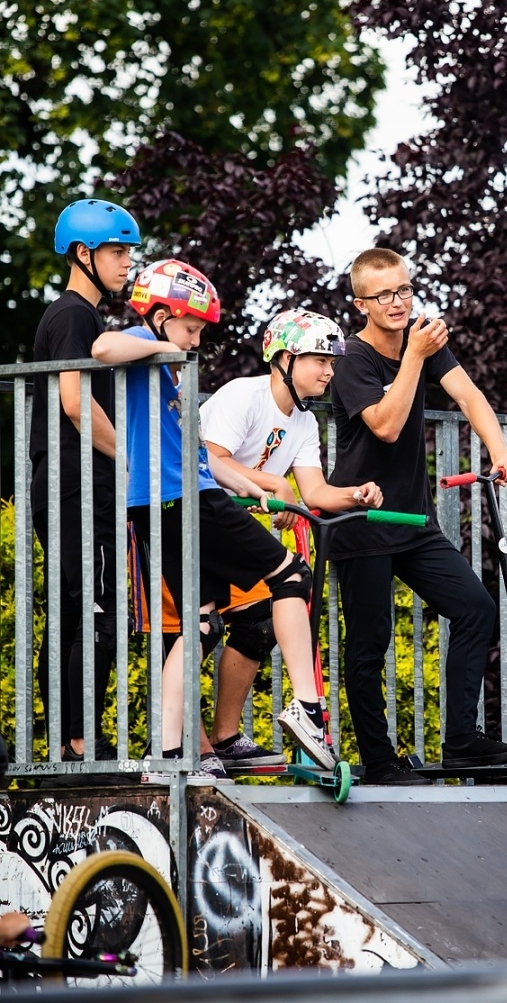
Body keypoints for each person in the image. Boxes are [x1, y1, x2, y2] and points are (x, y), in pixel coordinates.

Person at [91, 261, 340, 783]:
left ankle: (166, 755)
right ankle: (308, 708)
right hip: (183, 498)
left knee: (202, 624)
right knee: (291, 576)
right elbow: (102, 348)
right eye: (191, 328)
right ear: (161, 317)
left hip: (171, 497)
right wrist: (161, 343)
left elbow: (197, 455)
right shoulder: (146, 344)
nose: (195, 341)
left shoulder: (166, 370)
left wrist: (251, 487)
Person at [328, 248, 507, 786]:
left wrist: (500, 453)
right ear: (361, 304)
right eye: (384, 295)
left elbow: (470, 396)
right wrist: (414, 356)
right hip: (362, 520)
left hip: (414, 523)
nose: (398, 302)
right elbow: (386, 425)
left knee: (475, 608)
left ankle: (461, 741)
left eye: (404, 289)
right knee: (369, 645)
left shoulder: (422, 340)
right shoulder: (351, 358)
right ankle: (379, 760)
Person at [199, 307, 384, 769]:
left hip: (227, 529)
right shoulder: (244, 396)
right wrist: (274, 484)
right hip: (191, 519)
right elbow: (208, 458)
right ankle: (188, 747)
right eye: (319, 360)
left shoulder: (303, 422)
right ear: (284, 358)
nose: (329, 371)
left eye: (332, 362)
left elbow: (315, 493)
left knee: (259, 621)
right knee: (198, 629)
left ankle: (224, 740)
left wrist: (357, 494)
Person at [30, 197, 141, 764]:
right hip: (76, 481)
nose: (128, 262)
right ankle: (79, 742)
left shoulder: (81, 315)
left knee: (76, 609)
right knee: (97, 608)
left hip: (69, 481)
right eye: (117, 251)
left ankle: (68, 742)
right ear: (82, 253)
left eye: (129, 251)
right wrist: (129, 455)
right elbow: (75, 401)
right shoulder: (74, 314)